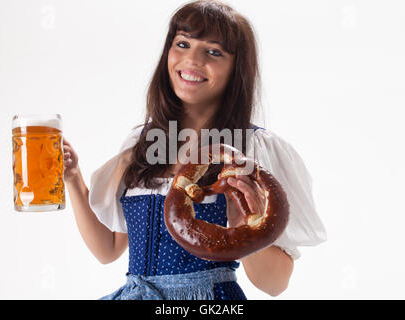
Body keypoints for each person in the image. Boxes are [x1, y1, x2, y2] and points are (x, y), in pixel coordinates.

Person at [63, 0, 326, 300]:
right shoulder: (143, 143)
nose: (192, 60)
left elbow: (275, 284)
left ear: (235, 68)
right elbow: (107, 248)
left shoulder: (250, 151)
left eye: (214, 51)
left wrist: (246, 219)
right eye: (183, 43)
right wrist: (72, 178)